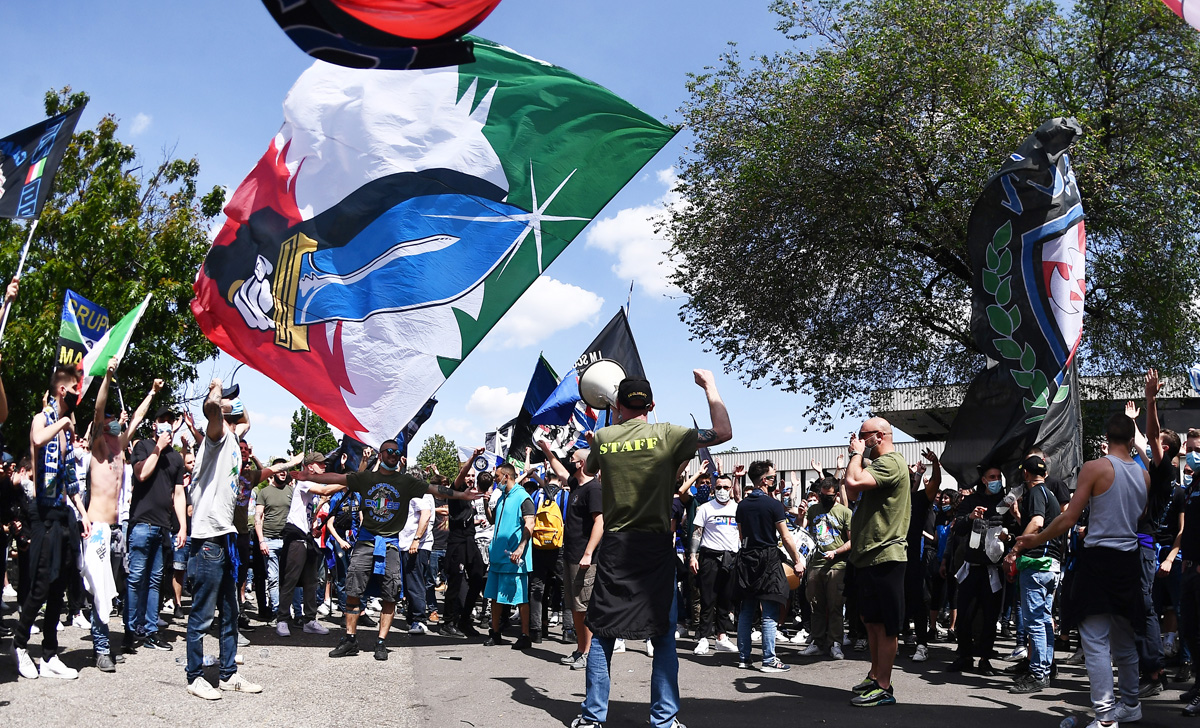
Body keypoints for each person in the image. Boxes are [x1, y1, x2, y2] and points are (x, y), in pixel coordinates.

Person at [573, 370, 731, 728]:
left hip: (616, 546)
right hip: (655, 545)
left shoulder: (603, 437)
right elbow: (723, 432)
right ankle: (664, 720)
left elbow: (589, 464)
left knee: (603, 632)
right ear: (652, 405)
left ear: (617, 406)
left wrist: (609, 423)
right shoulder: (668, 433)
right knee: (662, 633)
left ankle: (592, 716)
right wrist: (710, 387)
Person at [1016, 410, 1151, 728]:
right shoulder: (1143, 476)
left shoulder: (1095, 467)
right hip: (1129, 560)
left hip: (1101, 561)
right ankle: (1130, 704)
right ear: (1132, 440)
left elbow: (1068, 517)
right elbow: (1140, 515)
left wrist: (1035, 539)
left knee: (1094, 642)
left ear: (1107, 438)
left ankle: (1105, 717)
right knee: (1124, 640)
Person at [293, 439, 483, 661]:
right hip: (365, 542)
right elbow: (336, 478)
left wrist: (461, 495)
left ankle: (381, 641)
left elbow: (436, 488)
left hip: (391, 544)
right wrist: (309, 477)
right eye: (389, 451)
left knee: (390, 595)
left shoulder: (406, 481)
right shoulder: (367, 478)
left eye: (397, 452)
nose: (393, 454)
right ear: (381, 454)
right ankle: (350, 639)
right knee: (353, 592)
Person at [185, 380, 281, 700]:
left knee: (230, 609)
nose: (235, 407)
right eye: (230, 405)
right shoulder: (216, 436)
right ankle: (195, 676)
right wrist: (216, 390)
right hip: (208, 539)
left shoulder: (234, 437)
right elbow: (213, 409)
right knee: (201, 614)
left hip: (226, 537)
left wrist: (235, 399)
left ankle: (227, 674)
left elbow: (246, 422)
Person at [11, 365, 91, 680]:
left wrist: (82, 513)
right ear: (62, 390)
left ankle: (49, 654)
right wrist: (62, 422)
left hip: (63, 513)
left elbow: (71, 478)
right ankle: (19, 644)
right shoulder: (45, 420)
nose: (77, 394)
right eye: (75, 389)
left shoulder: (66, 432)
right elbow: (38, 439)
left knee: (60, 583)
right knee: (42, 582)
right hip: (41, 512)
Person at [83, 358, 160, 672]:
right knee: (100, 591)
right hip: (98, 528)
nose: (115, 421)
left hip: (117, 529)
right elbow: (99, 409)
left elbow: (139, 416)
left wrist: (153, 394)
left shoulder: (119, 450)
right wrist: (108, 377)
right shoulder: (98, 448)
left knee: (115, 588)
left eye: (117, 420)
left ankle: (116, 636)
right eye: (111, 420)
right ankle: (101, 648)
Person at [843, 416, 909, 707]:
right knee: (871, 621)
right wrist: (858, 458)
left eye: (862, 435)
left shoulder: (892, 462)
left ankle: (884, 685)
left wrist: (857, 454)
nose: (858, 439)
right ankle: (874, 675)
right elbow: (854, 490)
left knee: (885, 624)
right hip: (869, 555)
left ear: (879, 436)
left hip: (886, 555)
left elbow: (852, 480)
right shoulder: (878, 466)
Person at [125, 403, 188, 654]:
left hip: (163, 527)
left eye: (169, 420)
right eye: (161, 419)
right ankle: (130, 632)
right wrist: (158, 447)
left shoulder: (175, 458)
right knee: (135, 579)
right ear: (154, 424)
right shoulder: (143, 446)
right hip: (142, 524)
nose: (165, 424)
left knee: (154, 582)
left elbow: (179, 493)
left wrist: (182, 526)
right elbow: (141, 474)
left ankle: (151, 631)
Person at [947, 463, 1019, 676]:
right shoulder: (970, 501)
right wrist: (970, 517)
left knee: (990, 616)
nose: (996, 480)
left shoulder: (1005, 503)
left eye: (999, 476)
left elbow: (1016, 533)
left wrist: (1008, 538)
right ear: (984, 480)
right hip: (971, 567)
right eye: (992, 476)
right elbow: (957, 528)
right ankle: (964, 656)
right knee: (965, 615)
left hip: (993, 569)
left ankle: (985, 658)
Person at [734, 460, 803, 672]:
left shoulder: (742, 505)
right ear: (764, 480)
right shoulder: (772, 505)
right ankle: (769, 660)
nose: (774, 480)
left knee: (746, 609)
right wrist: (797, 560)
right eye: (772, 477)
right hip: (768, 558)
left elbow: (741, 534)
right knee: (770, 610)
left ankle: (744, 658)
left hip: (746, 557)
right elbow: (786, 536)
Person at [1005, 455, 1063, 694]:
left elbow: (1038, 523)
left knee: (1035, 622)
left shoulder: (1037, 493)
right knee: (1045, 620)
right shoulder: (1051, 496)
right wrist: (1020, 516)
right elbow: (1042, 522)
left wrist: (1015, 550)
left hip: (1037, 565)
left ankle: (1038, 673)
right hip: (1052, 565)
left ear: (1026, 475)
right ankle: (1046, 668)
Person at [554, 444, 604, 669]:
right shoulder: (576, 484)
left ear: (581, 463)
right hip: (571, 555)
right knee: (575, 606)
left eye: (572, 458)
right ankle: (580, 649)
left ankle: (588, 653)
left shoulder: (594, 489)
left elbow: (600, 522)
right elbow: (561, 472)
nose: (569, 461)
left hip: (584, 560)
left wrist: (588, 553)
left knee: (584, 607)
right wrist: (547, 450)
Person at [275, 451, 330, 638]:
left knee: (311, 581)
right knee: (290, 580)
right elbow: (325, 490)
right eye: (320, 464)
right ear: (310, 466)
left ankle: (309, 620)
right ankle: (282, 619)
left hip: (307, 537)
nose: (324, 466)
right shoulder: (305, 481)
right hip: (296, 538)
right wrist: (349, 481)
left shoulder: (312, 484)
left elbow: (310, 512)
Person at [483, 462, 535, 649]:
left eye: (497, 477)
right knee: (494, 597)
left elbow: (530, 524)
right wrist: (485, 502)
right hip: (498, 556)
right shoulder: (502, 497)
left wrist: (521, 547)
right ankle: (495, 633)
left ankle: (525, 635)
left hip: (514, 558)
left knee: (520, 598)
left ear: (507, 476)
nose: (495, 480)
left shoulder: (523, 497)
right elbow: (493, 520)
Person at [802, 475, 853, 660]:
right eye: (822, 495)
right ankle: (817, 641)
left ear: (836, 495)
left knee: (835, 606)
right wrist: (801, 516)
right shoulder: (813, 509)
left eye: (829, 496)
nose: (825, 498)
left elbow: (852, 540)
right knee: (816, 605)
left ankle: (835, 643)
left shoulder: (844, 512)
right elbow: (802, 532)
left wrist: (836, 552)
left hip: (837, 565)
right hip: (815, 564)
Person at [689, 473, 739, 657]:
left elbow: (741, 534)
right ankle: (703, 637)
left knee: (726, 599)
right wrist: (693, 556)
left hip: (731, 558)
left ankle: (721, 637)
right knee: (707, 599)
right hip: (709, 557)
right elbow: (697, 533)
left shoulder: (737, 508)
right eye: (719, 487)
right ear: (713, 488)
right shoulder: (705, 508)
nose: (722, 491)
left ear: (731, 489)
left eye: (726, 487)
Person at [443, 463, 488, 639]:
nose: (469, 479)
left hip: (470, 541)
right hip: (457, 542)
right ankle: (448, 622)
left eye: (472, 476)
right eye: (468, 475)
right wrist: (473, 458)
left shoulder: (471, 495)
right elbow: (460, 476)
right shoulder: (457, 491)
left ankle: (465, 619)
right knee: (455, 582)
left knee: (478, 576)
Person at [904, 450, 941, 663]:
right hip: (892, 558)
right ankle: (895, 640)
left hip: (913, 560)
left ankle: (922, 644)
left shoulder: (918, 500)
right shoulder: (889, 502)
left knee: (918, 602)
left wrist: (935, 463)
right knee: (895, 602)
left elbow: (935, 482)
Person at [255, 460, 294, 627]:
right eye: (280, 470)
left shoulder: (291, 491)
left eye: (285, 470)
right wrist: (261, 541)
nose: (283, 472)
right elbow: (258, 518)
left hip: (288, 541)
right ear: (274, 472)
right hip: (269, 541)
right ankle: (278, 611)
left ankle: (287, 610)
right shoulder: (264, 492)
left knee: (288, 579)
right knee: (272, 578)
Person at [398, 471, 435, 635]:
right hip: (407, 545)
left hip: (416, 546)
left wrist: (416, 539)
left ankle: (419, 620)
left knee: (415, 583)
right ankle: (412, 618)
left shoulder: (421, 494)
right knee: (409, 583)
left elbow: (425, 516)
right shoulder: (415, 494)